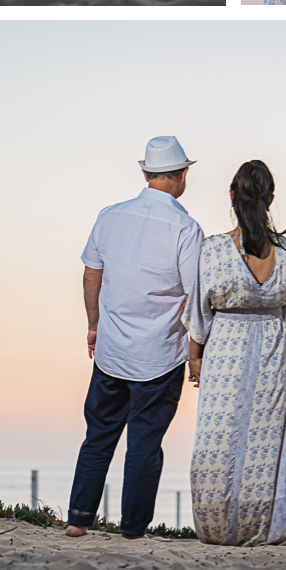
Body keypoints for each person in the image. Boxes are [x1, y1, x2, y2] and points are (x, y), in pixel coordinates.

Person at [65, 136, 203, 541]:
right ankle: (131, 530)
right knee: (145, 444)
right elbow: (195, 294)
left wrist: (94, 324)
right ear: (182, 175)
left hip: (111, 351)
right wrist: (197, 352)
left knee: (98, 436)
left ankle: (77, 520)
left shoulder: (110, 215)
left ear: (145, 173)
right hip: (160, 355)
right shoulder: (186, 227)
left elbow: (92, 274)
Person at [183, 160, 286, 546]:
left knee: (216, 442)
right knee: (264, 447)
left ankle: (218, 528)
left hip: (226, 348)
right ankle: (259, 527)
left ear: (231, 196)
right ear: (269, 198)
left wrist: (195, 356)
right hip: (271, 350)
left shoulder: (215, 250)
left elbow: (199, 312)